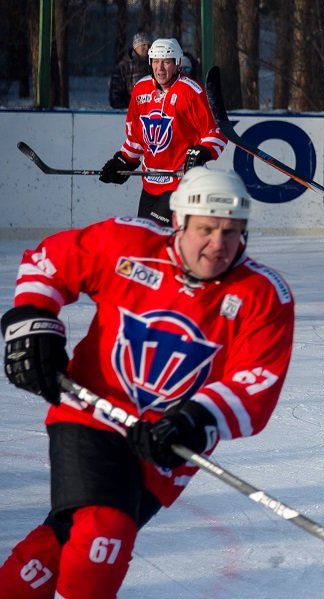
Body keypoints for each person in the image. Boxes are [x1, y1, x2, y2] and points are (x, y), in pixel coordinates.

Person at [0, 167, 295, 597]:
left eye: (231, 232)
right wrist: (33, 320)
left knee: (66, 538)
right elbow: (51, 261)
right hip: (91, 411)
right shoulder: (129, 244)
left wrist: (195, 418)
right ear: (178, 222)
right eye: (207, 229)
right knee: (106, 528)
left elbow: (258, 382)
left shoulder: (261, 293)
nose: (219, 245)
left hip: (167, 441)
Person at [99, 38, 227, 227]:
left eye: (166, 62)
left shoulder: (191, 92)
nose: (160, 68)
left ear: (177, 64)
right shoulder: (140, 90)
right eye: (156, 61)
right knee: (145, 240)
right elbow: (136, 137)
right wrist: (123, 161)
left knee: (156, 233)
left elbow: (216, 133)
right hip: (150, 184)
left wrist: (203, 152)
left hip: (180, 184)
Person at [108, 31, 152, 109]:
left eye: (149, 45)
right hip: (130, 112)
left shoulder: (153, 64)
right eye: (143, 44)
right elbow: (115, 95)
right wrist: (127, 109)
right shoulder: (123, 67)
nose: (147, 47)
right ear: (136, 46)